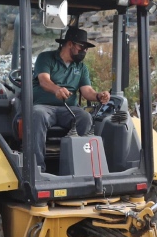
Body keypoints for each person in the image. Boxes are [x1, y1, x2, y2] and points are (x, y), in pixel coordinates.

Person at [27, 26, 109, 173]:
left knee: (85, 117)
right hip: (44, 107)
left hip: (69, 109)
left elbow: (87, 91)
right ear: (70, 44)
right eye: (82, 47)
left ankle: (80, 167)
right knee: (37, 115)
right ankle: (37, 169)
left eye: (86, 48)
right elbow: (44, 81)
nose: (84, 51)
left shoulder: (81, 67)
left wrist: (98, 96)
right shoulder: (46, 58)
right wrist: (57, 90)